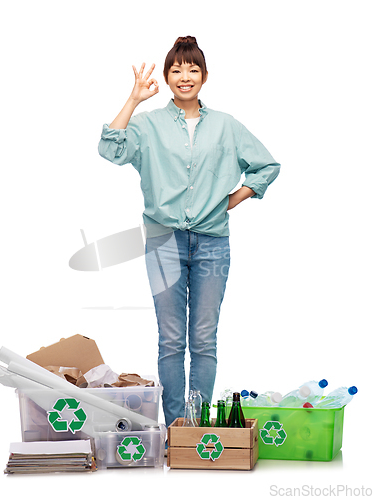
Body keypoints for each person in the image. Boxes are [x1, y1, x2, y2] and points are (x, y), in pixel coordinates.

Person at [98, 36, 280, 427]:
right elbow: (110, 149)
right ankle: (176, 430)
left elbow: (266, 166)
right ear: (166, 77)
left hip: (213, 241)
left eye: (193, 69)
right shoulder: (147, 125)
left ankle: (196, 430)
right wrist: (133, 100)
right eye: (177, 69)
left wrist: (233, 199)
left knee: (203, 339)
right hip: (164, 240)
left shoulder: (227, 126)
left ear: (205, 76)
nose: (185, 76)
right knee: (171, 340)